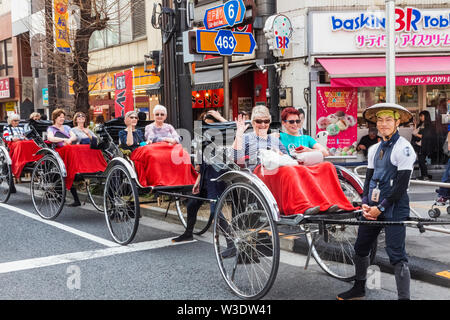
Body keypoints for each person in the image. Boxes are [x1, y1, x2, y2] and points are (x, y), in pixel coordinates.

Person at [337, 103, 416, 300]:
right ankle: (359, 288)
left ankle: (404, 298)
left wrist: (380, 208)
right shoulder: (374, 149)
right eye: (380, 120)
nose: (383, 124)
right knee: (360, 248)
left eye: (389, 119)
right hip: (372, 205)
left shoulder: (404, 148)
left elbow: (400, 187)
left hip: (394, 206)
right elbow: (369, 179)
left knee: (397, 254)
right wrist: (364, 201)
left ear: (397, 122)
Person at [172, 109, 229, 244]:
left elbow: (235, 128)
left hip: (217, 174)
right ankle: (188, 233)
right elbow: (200, 160)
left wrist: (220, 118)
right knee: (192, 203)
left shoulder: (225, 134)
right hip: (205, 173)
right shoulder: (201, 135)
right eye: (206, 124)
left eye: (211, 124)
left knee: (215, 210)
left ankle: (231, 242)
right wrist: (198, 178)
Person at [47, 109, 79, 206]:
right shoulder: (51, 128)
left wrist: (70, 139)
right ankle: (62, 196)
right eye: (60, 117)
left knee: (81, 148)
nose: (62, 119)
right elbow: (50, 138)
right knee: (70, 150)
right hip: (60, 151)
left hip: (69, 148)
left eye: (63, 117)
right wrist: (63, 139)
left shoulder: (67, 127)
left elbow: (74, 136)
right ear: (55, 118)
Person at [412, 110, 436, 180]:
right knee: (421, 161)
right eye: (420, 116)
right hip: (420, 145)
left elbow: (424, 136)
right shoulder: (422, 124)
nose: (420, 117)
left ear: (426, 116)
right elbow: (415, 132)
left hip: (425, 145)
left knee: (421, 161)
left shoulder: (428, 125)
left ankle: (425, 176)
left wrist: (416, 134)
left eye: (421, 116)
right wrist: (415, 125)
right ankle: (424, 175)